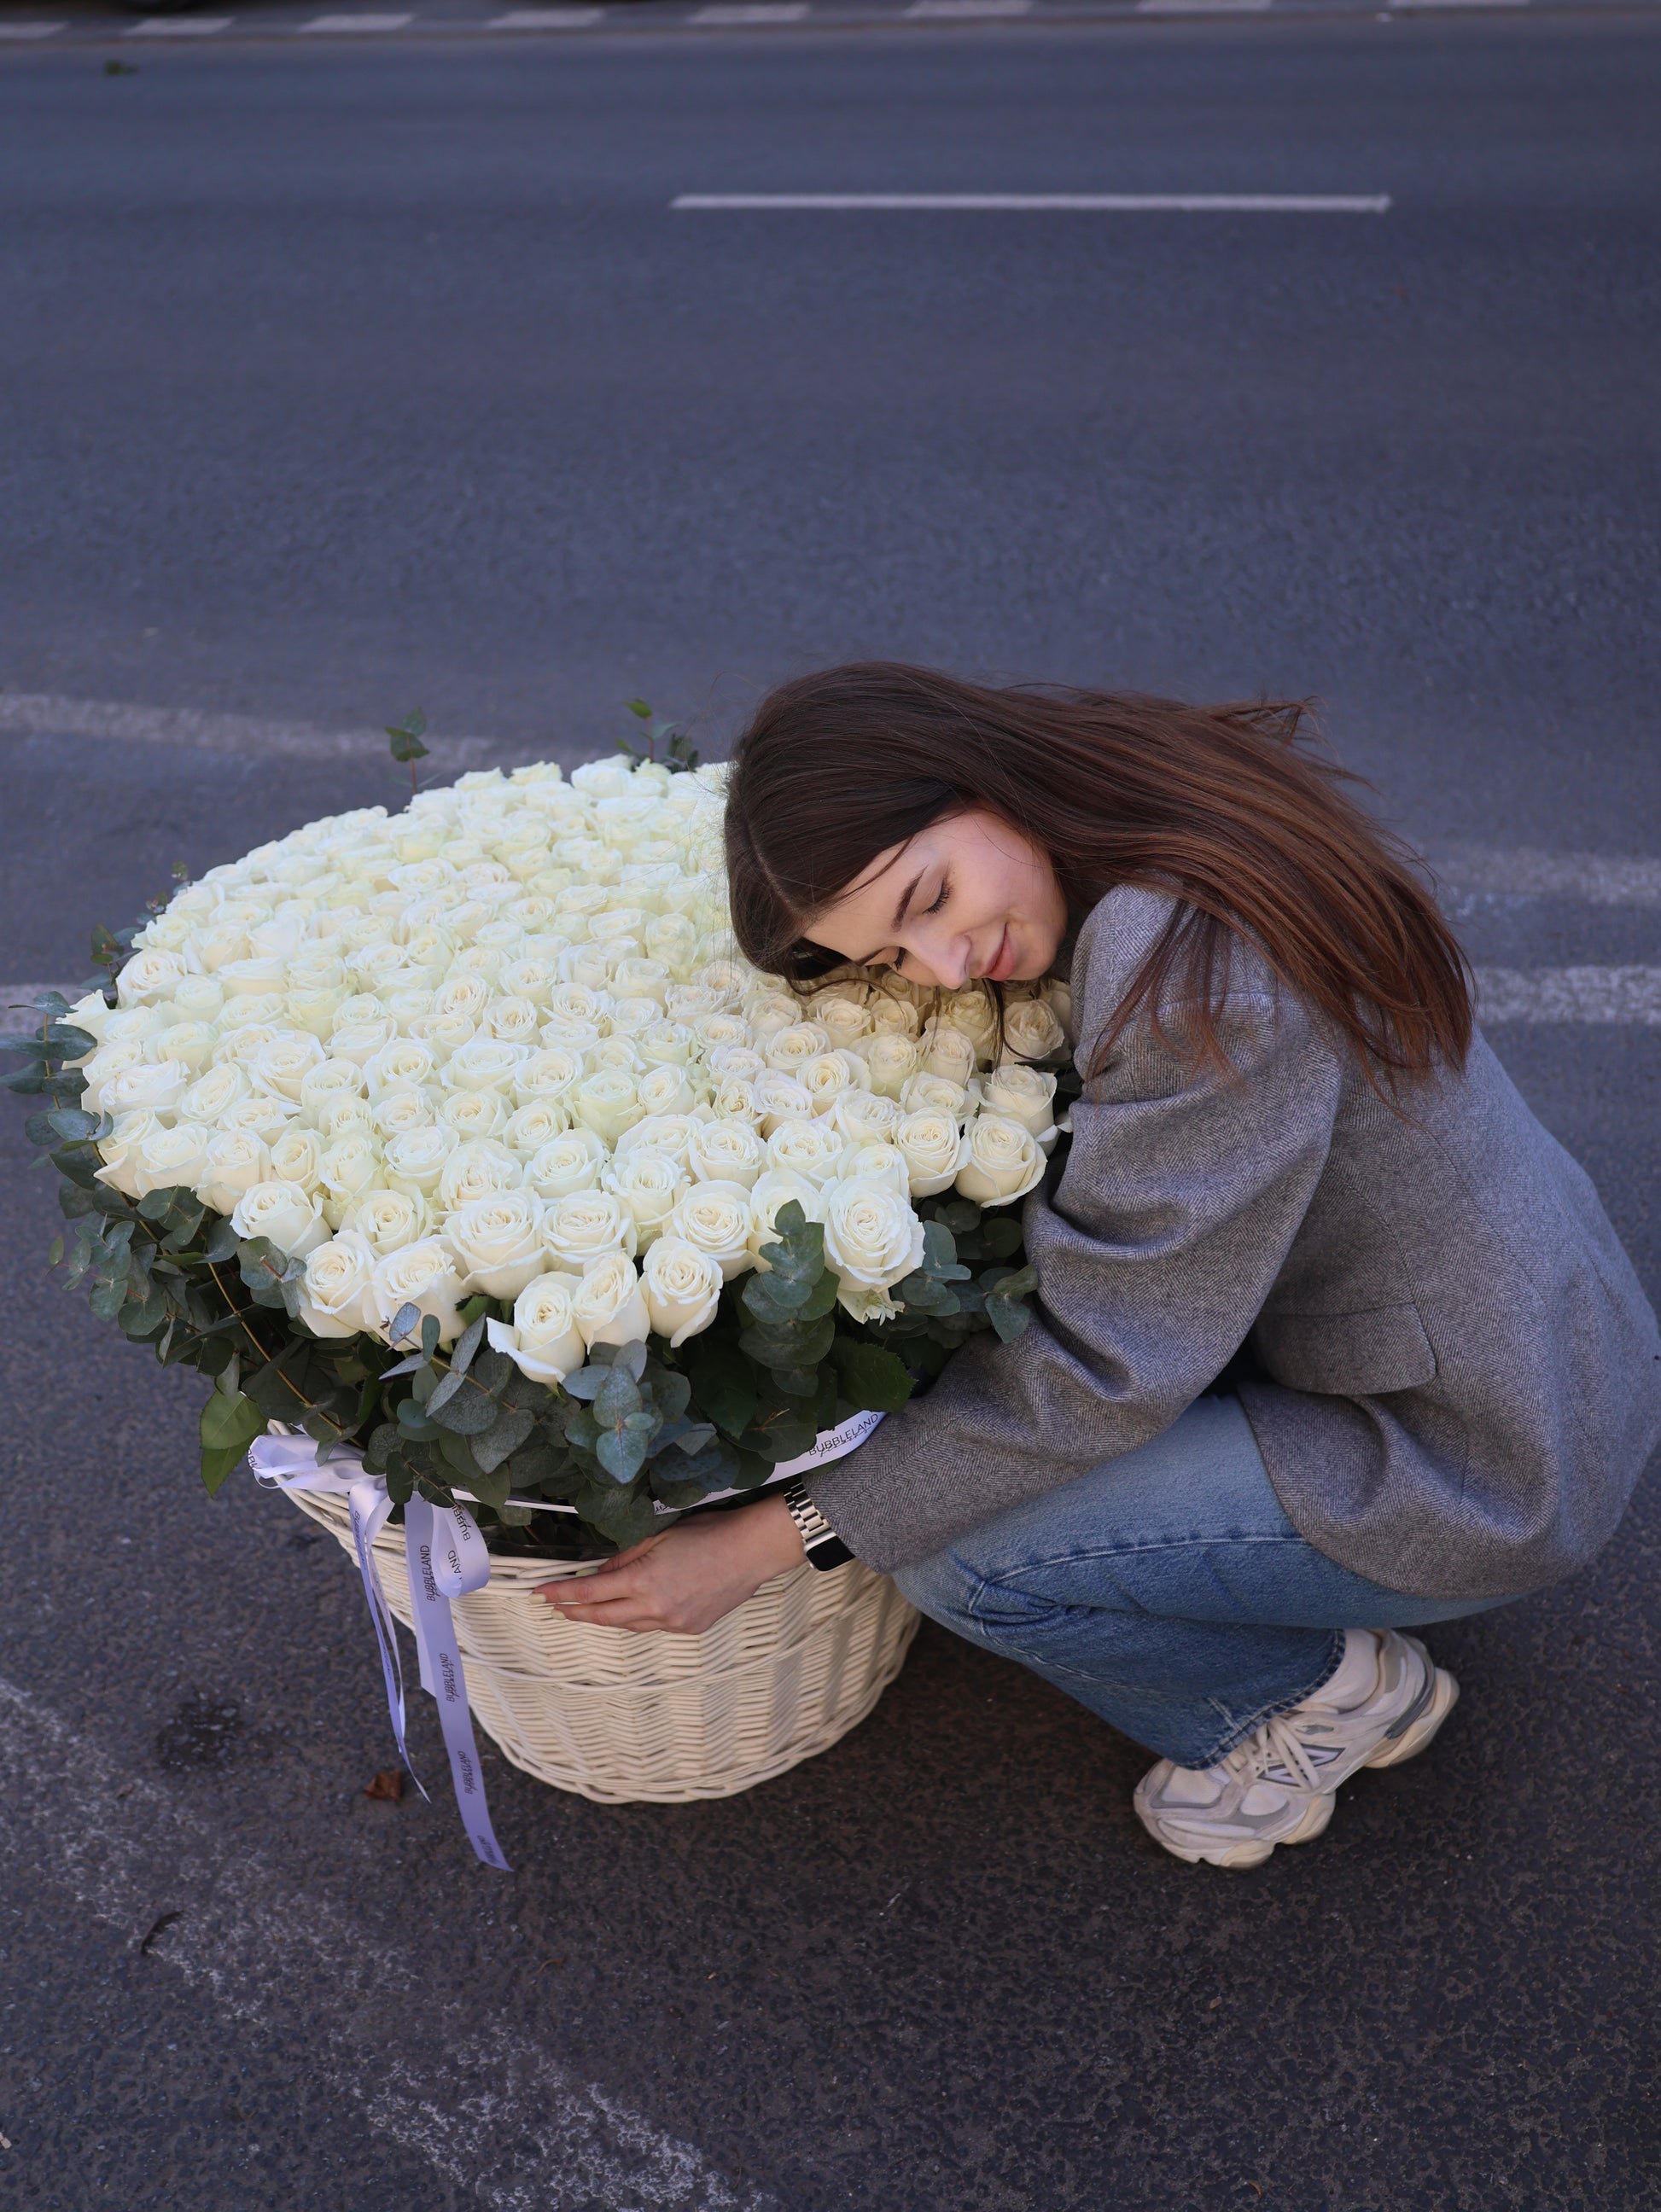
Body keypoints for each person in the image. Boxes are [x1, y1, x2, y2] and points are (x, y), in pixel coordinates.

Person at [538, 662, 1661, 1870]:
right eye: (894, 957)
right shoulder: (1157, 810)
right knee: (977, 1476)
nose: (947, 964)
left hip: (1483, 1453)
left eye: (931, 897)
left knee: (959, 1557)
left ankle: (1303, 1703)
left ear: (977, 779)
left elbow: (1101, 1369)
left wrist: (777, 1533)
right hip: (1528, 1324)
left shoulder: (1191, 980)